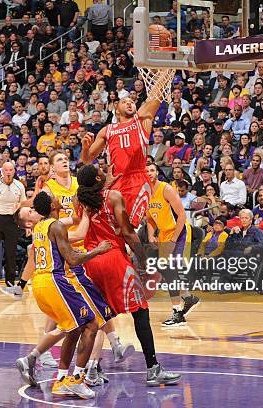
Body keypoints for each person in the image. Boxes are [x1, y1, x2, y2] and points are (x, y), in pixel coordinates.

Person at [77, 164, 181, 386]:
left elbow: (97, 201)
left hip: (92, 262)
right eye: (101, 170)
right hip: (114, 259)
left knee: (98, 318)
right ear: (98, 176)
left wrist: (107, 182)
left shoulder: (83, 202)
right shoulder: (113, 196)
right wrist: (143, 259)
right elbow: (127, 232)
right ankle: (153, 368)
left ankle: (91, 370)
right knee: (140, 312)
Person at [14, 191, 113, 399]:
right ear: (51, 206)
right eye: (53, 198)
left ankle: (61, 381)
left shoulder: (41, 225)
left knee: (73, 329)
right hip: (54, 282)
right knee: (91, 324)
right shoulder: (55, 226)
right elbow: (73, 259)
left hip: (40, 283)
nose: (57, 199)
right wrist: (99, 250)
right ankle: (77, 379)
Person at [80, 87, 163, 227]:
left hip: (137, 180)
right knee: (113, 228)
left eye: (132, 101)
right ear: (117, 109)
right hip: (116, 181)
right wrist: (85, 148)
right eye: (125, 102)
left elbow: (156, 94)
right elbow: (87, 159)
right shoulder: (107, 130)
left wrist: (165, 71)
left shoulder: (141, 120)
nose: (130, 103)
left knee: (129, 228)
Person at [145, 163, 200, 327]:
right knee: (165, 270)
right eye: (146, 171)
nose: (149, 173)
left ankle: (177, 312)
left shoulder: (166, 189)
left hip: (180, 232)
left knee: (169, 271)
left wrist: (173, 240)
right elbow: (149, 218)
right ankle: (187, 297)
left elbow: (182, 215)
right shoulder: (145, 193)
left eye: (152, 170)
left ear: (157, 172)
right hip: (163, 233)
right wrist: (150, 234)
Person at [0, 162, 27, 291]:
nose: (8, 172)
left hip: (12, 221)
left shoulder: (19, 186)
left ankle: (10, 282)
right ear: (2, 171)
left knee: (11, 254)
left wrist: (26, 224)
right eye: (6, 170)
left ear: (14, 171)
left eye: (11, 170)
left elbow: (23, 206)